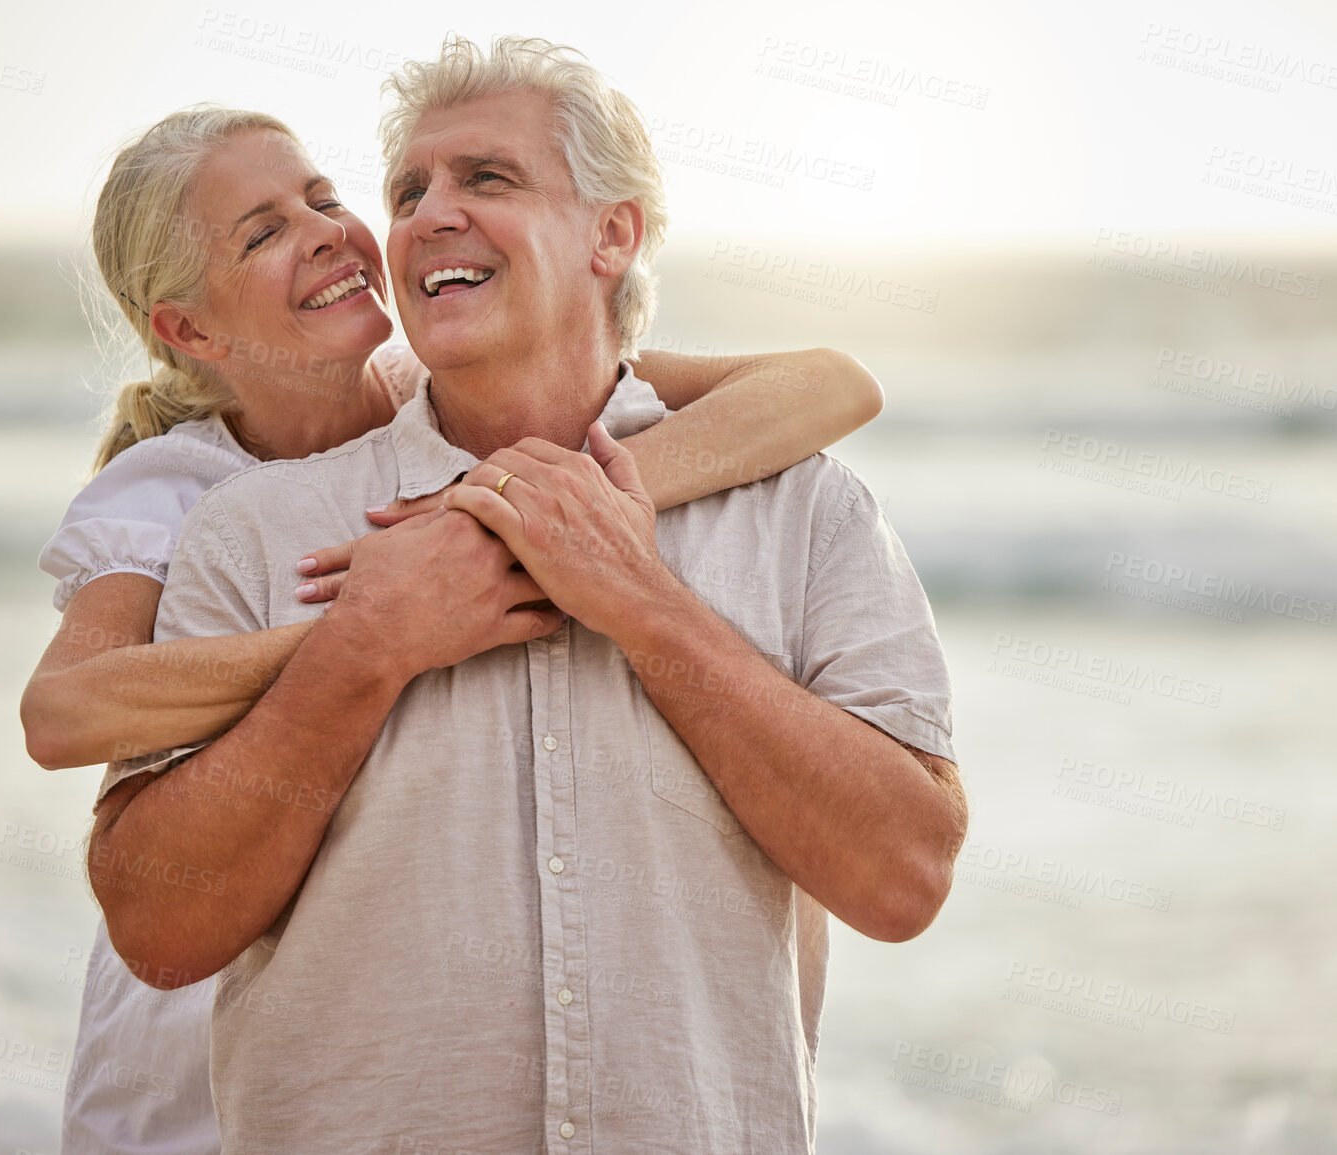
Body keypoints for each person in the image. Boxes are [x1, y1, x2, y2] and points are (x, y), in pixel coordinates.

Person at [89, 36, 965, 1152]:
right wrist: (362, 650)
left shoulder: (807, 512)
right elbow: (158, 927)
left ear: (614, 233)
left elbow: (906, 879)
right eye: (408, 191)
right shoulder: (253, 535)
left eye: (485, 179)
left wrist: (645, 604)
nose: (423, 216)